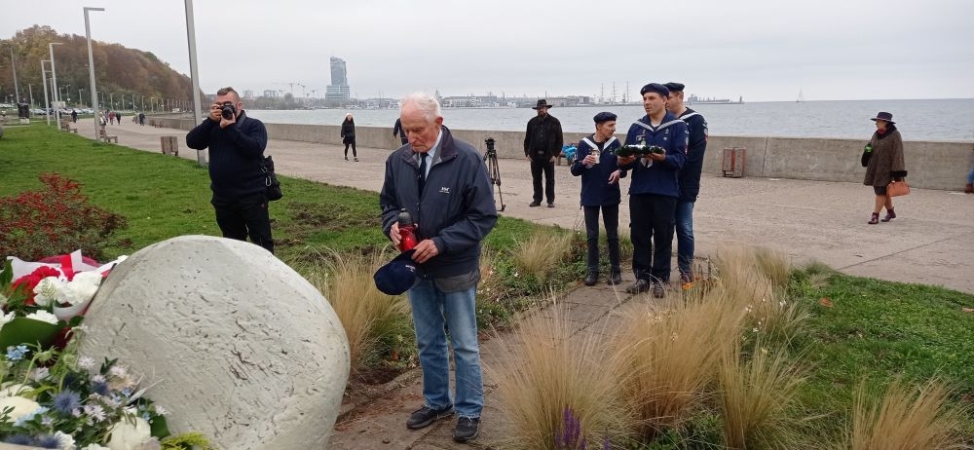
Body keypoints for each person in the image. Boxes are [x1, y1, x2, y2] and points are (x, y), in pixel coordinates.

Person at [379, 92, 497, 443]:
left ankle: (469, 409)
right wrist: (391, 227)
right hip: (416, 267)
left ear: (438, 123)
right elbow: (387, 203)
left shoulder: (468, 159)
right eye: (405, 129)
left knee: (463, 343)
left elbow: (483, 217)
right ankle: (437, 402)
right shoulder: (398, 160)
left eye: (418, 130)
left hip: (455, 267)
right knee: (428, 341)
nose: (411, 137)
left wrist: (441, 242)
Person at [618, 83, 688, 298]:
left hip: (665, 191)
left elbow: (681, 160)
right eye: (645, 99)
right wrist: (624, 160)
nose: (647, 103)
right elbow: (625, 162)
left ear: (665, 100)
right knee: (639, 235)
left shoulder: (677, 126)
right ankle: (642, 277)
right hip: (639, 190)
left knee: (663, 236)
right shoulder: (637, 127)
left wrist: (661, 158)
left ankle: (660, 278)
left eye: (651, 98)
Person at [186, 86, 274, 253]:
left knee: (262, 242)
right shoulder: (213, 126)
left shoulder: (254, 126)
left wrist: (231, 127)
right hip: (224, 198)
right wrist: (210, 121)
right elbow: (192, 142)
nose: (224, 108)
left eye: (228, 104)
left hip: (252, 196)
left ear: (239, 105)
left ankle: (270, 276)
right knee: (233, 243)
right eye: (219, 105)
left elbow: (254, 149)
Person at [571, 112, 624, 286]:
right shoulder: (585, 144)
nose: (613, 129)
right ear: (599, 126)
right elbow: (575, 170)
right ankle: (592, 271)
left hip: (610, 195)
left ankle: (615, 271)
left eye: (614, 125)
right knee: (592, 236)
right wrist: (583, 162)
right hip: (590, 196)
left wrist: (619, 172)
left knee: (612, 235)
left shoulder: (615, 143)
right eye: (610, 125)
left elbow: (623, 166)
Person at [664, 82, 708, 284]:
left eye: (669, 97)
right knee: (664, 226)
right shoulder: (663, 121)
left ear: (680, 96)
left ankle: (685, 268)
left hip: (686, 182)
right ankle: (661, 269)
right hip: (664, 182)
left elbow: (696, 155)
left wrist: (672, 163)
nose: (666, 102)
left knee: (684, 227)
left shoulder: (695, 120)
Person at [861, 111, 906, 224]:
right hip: (875, 167)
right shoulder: (877, 133)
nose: (876, 123)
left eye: (878, 121)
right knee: (883, 191)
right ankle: (890, 212)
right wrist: (866, 155)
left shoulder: (895, 134)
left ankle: (875, 215)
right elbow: (870, 145)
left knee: (880, 192)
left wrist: (897, 173)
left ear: (885, 122)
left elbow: (898, 153)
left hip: (888, 169)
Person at [523, 99, 563, 207]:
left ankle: (550, 200)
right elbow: (527, 139)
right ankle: (537, 199)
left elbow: (560, 140)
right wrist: (527, 153)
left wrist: (555, 154)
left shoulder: (555, 122)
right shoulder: (531, 122)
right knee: (536, 179)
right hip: (535, 155)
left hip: (549, 156)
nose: (541, 110)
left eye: (543, 108)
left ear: (547, 108)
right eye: (539, 108)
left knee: (550, 179)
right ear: (537, 109)